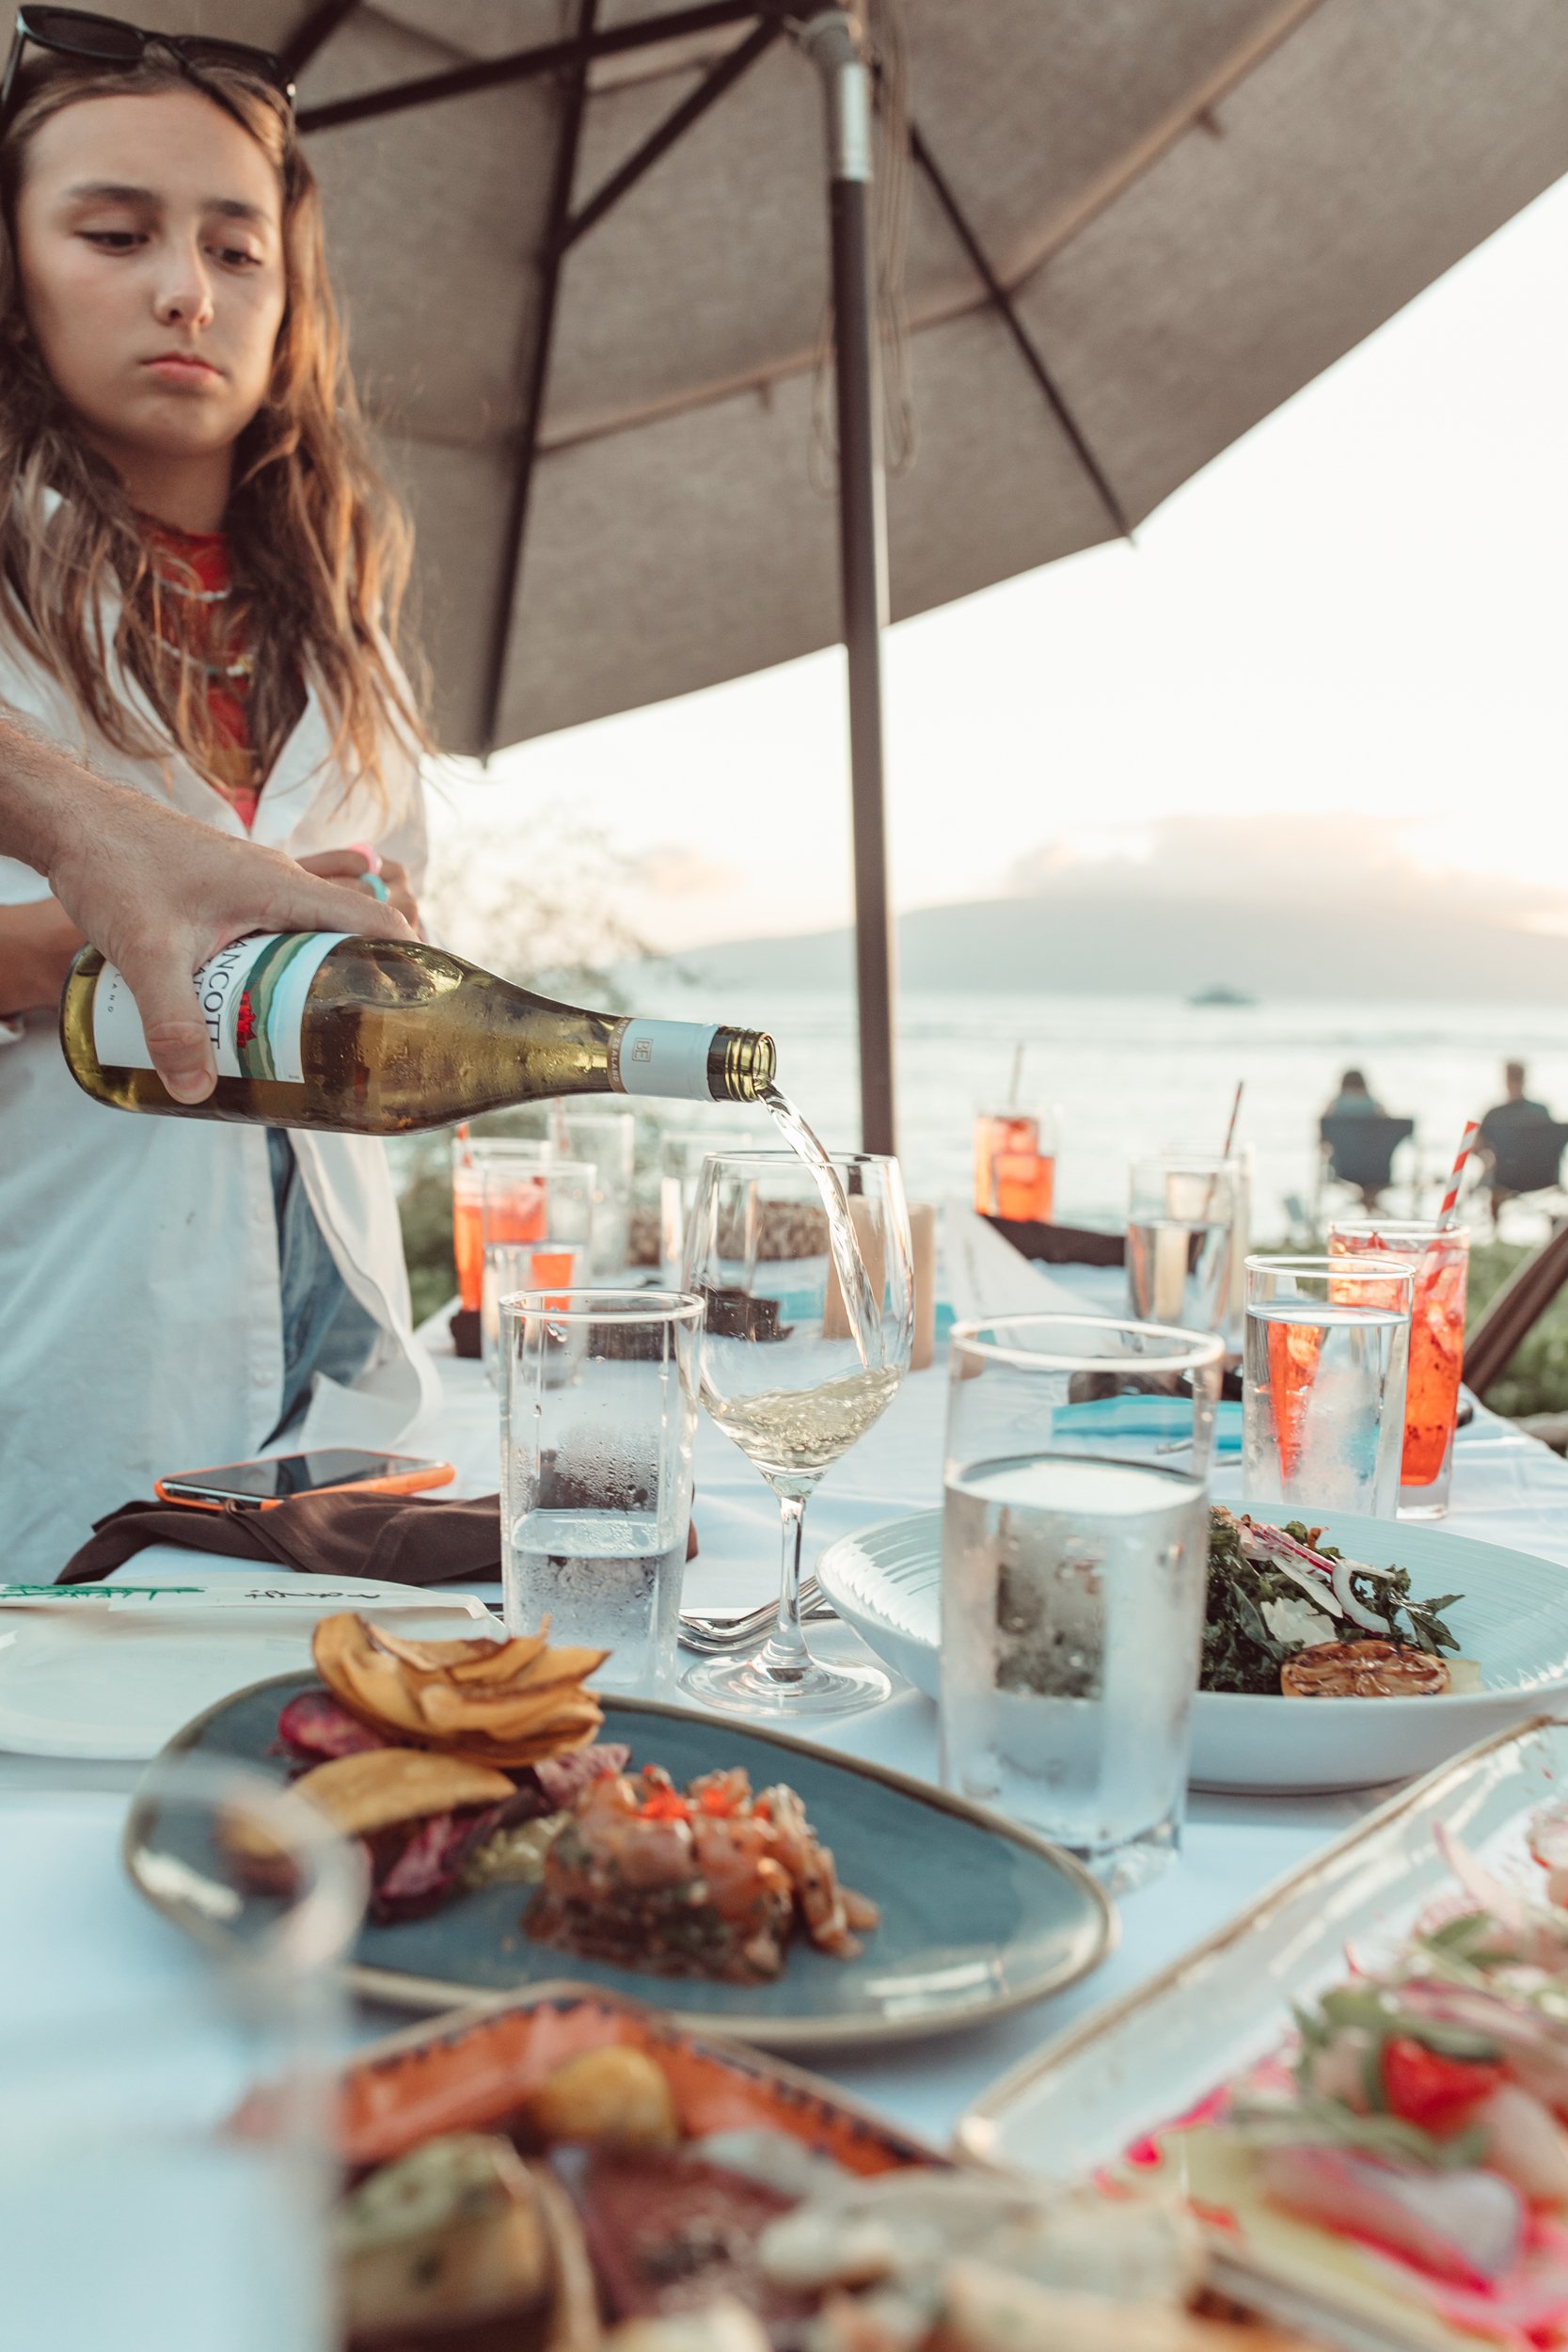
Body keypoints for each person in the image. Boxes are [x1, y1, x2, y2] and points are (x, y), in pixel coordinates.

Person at [0, 24, 440, 1576]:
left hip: (343, 1414)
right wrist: (67, 947)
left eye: (236, 248)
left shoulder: (349, 628)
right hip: (58, 1369)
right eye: (114, 233)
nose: (187, 289)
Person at [1, 711, 413, 1094]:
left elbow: (410, 915)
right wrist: (90, 947)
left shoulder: (374, 681)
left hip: (329, 1146)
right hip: (89, 1147)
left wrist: (392, 918)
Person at [1478, 1061, 1559, 1226]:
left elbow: (1476, 1147)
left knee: (1492, 1174)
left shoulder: (1495, 1114)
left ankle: (1495, 1229)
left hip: (1504, 1179)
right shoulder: (1542, 1111)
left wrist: (1486, 1160)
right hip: (1543, 1178)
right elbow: (1553, 1146)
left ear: (1506, 1080)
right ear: (1525, 1079)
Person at [1322, 1069, 1386, 1120]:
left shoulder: (1334, 1105)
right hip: (1369, 1136)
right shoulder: (1375, 1106)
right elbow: (1388, 1126)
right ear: (1363, 1084)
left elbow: (1324, 1127)